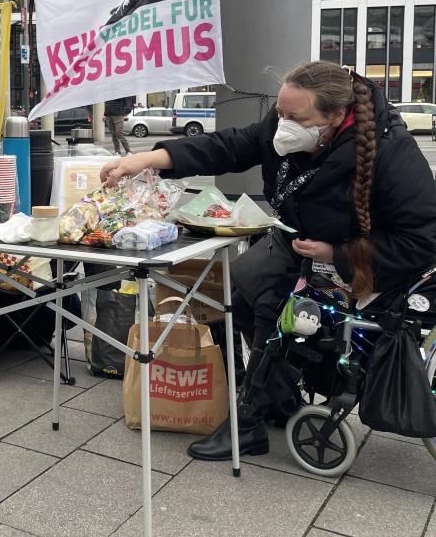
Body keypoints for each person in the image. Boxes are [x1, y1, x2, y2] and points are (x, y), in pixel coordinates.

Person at [100, 62, 436, 461]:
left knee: (271, 309)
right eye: (280, 113)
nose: (283, 124)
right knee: (241, 305)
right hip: (298, 244)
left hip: (363, 264)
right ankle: (279, 400)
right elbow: (228, 146)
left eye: (296, 117)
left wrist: (338, 254)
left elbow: (422, 239)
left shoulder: (389, 151)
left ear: (335, 117)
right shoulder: (287, 125)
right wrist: (150, 158)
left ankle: (248, 421)